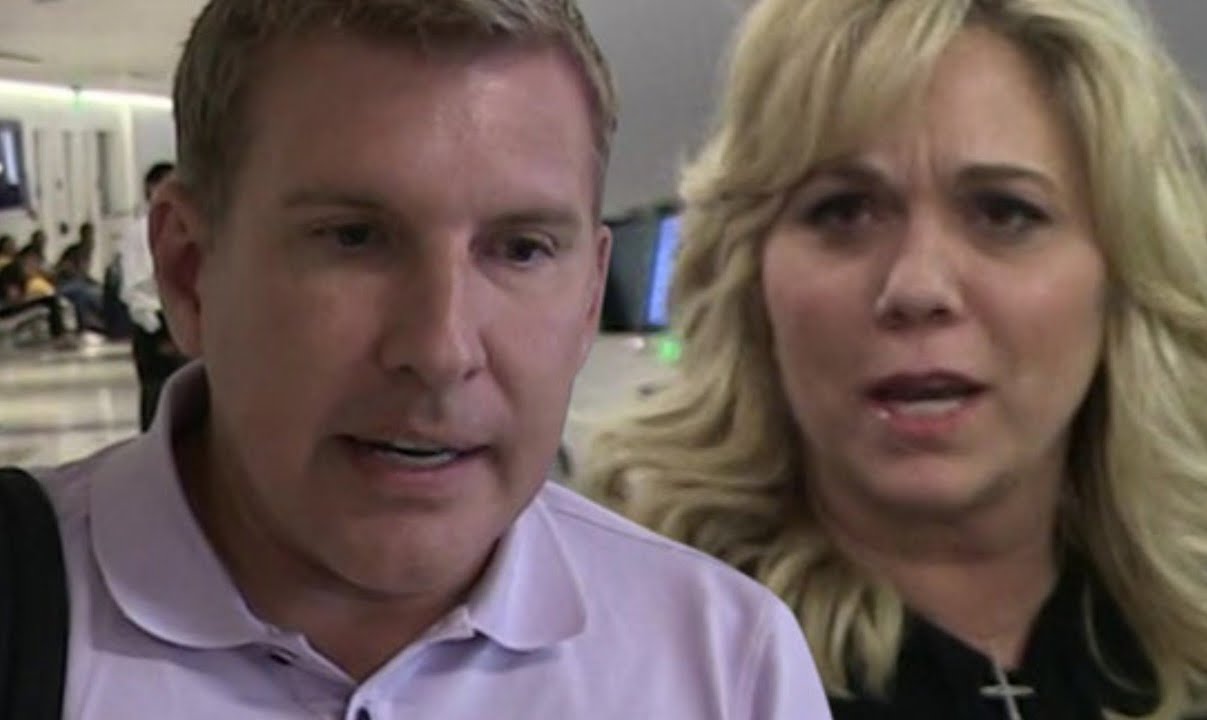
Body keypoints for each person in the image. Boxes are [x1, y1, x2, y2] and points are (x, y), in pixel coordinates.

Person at [25, 1, 830, 718]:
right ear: (190, 271)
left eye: (520, 249)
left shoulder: (728, 667)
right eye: (354, 238)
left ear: (589, 297)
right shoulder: (26, 610)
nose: (441, 350)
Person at [581, 0, 1207, 718]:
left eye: (1005, 212)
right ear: (751, 281)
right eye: (843, 210)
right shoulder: (622, 670)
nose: (917, 287)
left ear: (1124, 277)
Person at [119, 161, 186, 429]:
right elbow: (134, 286)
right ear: (151, 189)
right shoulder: (139, 231)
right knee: (156, 393)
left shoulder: (184, 226)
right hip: (154, 321)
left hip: (177, 314)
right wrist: (157, 327)